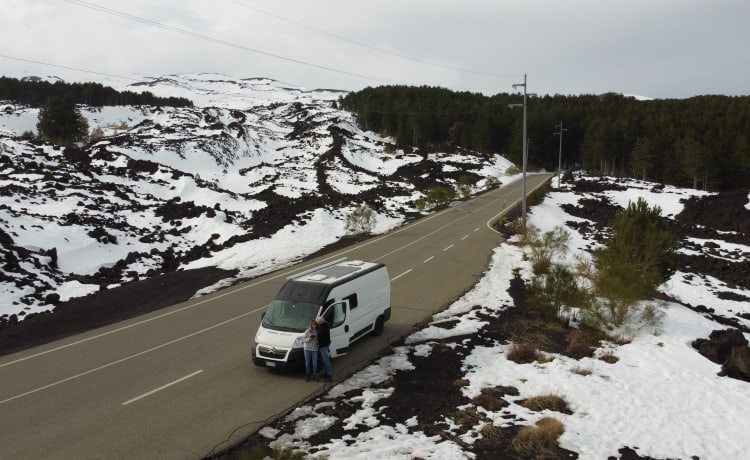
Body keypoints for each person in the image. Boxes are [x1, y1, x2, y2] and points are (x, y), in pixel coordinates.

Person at [316, 316, 333, 382]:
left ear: (321, 322)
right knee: (324, 359)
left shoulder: (323, 327)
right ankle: (326, 373)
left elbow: (320, 335)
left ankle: (329, 376)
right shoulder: (326, 325)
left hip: (323, 345)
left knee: (326, 360)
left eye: (318, 322)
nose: (317, 323)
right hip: (325, 344)